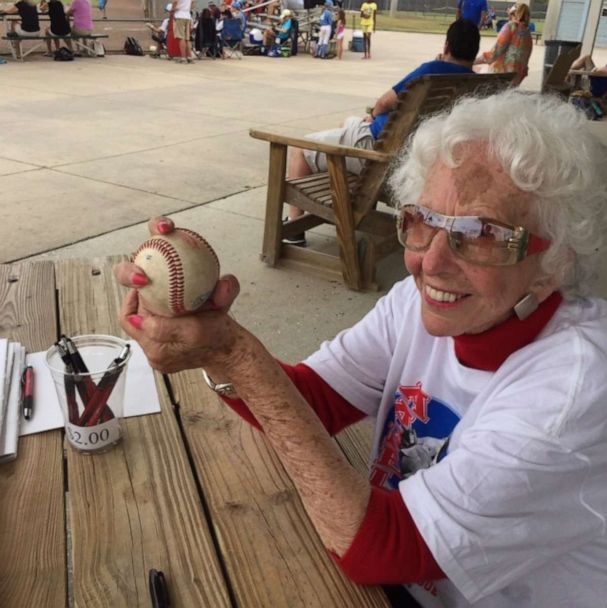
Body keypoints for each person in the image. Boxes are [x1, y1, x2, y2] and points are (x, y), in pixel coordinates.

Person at [115, 89, 607, 607]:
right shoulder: (423, 305)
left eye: (483, 235)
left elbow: (379, 546)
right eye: (424, 221)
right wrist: (207, 334)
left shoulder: (575, 389)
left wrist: (234, 354)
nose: (430, 264)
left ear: (556, 264)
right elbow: (311, 401)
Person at [285, 19, 480, 245]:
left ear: (447, 46)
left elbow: (383, 103)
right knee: (347, 123)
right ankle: (357, 199)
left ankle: (293, 228)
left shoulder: (432, 71)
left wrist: (374, 115)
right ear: (474, 52)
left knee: (300, 148)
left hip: (378, 151)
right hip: (409, 158)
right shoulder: (474, 82)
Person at [473, 2, 532, 85]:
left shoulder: (510, 26)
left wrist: (472, 62)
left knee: (473, 69)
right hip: (514, 81)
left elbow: (493, 54)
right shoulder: (528, 34)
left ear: (513, 14)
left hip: (500, 78)